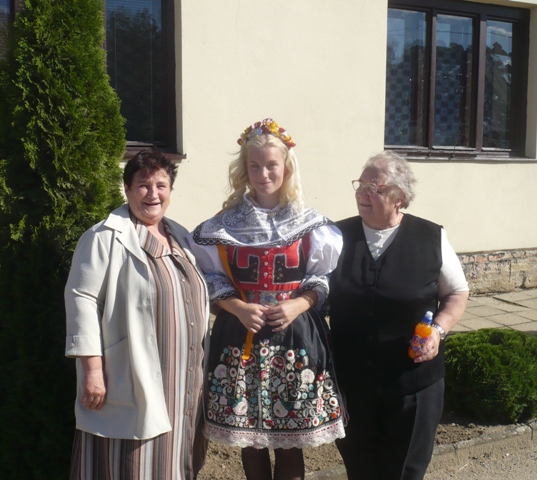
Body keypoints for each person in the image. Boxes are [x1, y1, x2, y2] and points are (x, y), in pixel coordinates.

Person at [188, 118, 346, 480]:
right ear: (244, 169)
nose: (263, 174)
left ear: (286, 166)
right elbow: (207, 276)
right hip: (240, 336)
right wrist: (238, 307)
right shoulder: (222, 224)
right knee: (251, 442)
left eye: (271, 165)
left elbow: (322, 277)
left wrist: (299, 304)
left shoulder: (309, 223)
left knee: (290, 441)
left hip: (294, 338)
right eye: (254, 166)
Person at [64, 150, 210, 480]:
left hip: (184, 378)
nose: (153, 193)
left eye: (161, 185)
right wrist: (92, 369)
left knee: (177, 455)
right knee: (133, 459)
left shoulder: (180, 236)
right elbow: (81, 299)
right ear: (127, 189)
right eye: (143, 185)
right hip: (130, 371)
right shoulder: (103, 237)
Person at [328, 151, 470, 480]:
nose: (363, 194)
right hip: (352, 382)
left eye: (375, 188)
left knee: (404, 470)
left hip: (412, 384)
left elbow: (456, 293)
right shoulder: (335, 236)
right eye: (360, 185)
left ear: (399, 198)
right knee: (360, 469)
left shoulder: (430, 237)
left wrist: (438, 331)